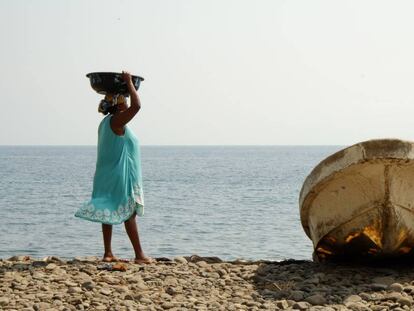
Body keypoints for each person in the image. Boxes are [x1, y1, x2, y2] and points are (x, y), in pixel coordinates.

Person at [75, 71, 151, 264]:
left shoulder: (107, 123)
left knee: (107, 208)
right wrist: (128, 82)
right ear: (118, 104)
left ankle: (108, 253)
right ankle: (139, 255)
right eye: (124, 98)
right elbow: (138, 106)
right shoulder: (117, 121)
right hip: (118, 175)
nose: (126, 101)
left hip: (106, 173)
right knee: (129, 213)